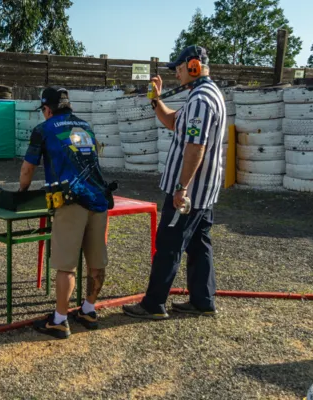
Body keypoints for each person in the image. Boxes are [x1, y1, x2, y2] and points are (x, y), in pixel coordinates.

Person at [123, 45, 226, 319]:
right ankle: (203, 301)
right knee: (199, 243)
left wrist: (181, 188)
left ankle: (153, 304)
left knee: (168, 245)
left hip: (189, 193)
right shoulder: (203, 96)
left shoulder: (201, 100)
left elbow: (195, 147)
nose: (177, 75)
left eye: (179, 69)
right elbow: (172, 121)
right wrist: (155, 99)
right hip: (202, 192)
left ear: (192, 66)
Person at [19, 86, 111, 339]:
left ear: (47, 109)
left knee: (66, 266)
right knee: (96, 262)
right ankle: (89, 310)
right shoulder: (86, 126)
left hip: (70, 202)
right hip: (98, 199)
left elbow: (28, 170)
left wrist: (21, 192)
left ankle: (59, 320)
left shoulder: (44, 129)